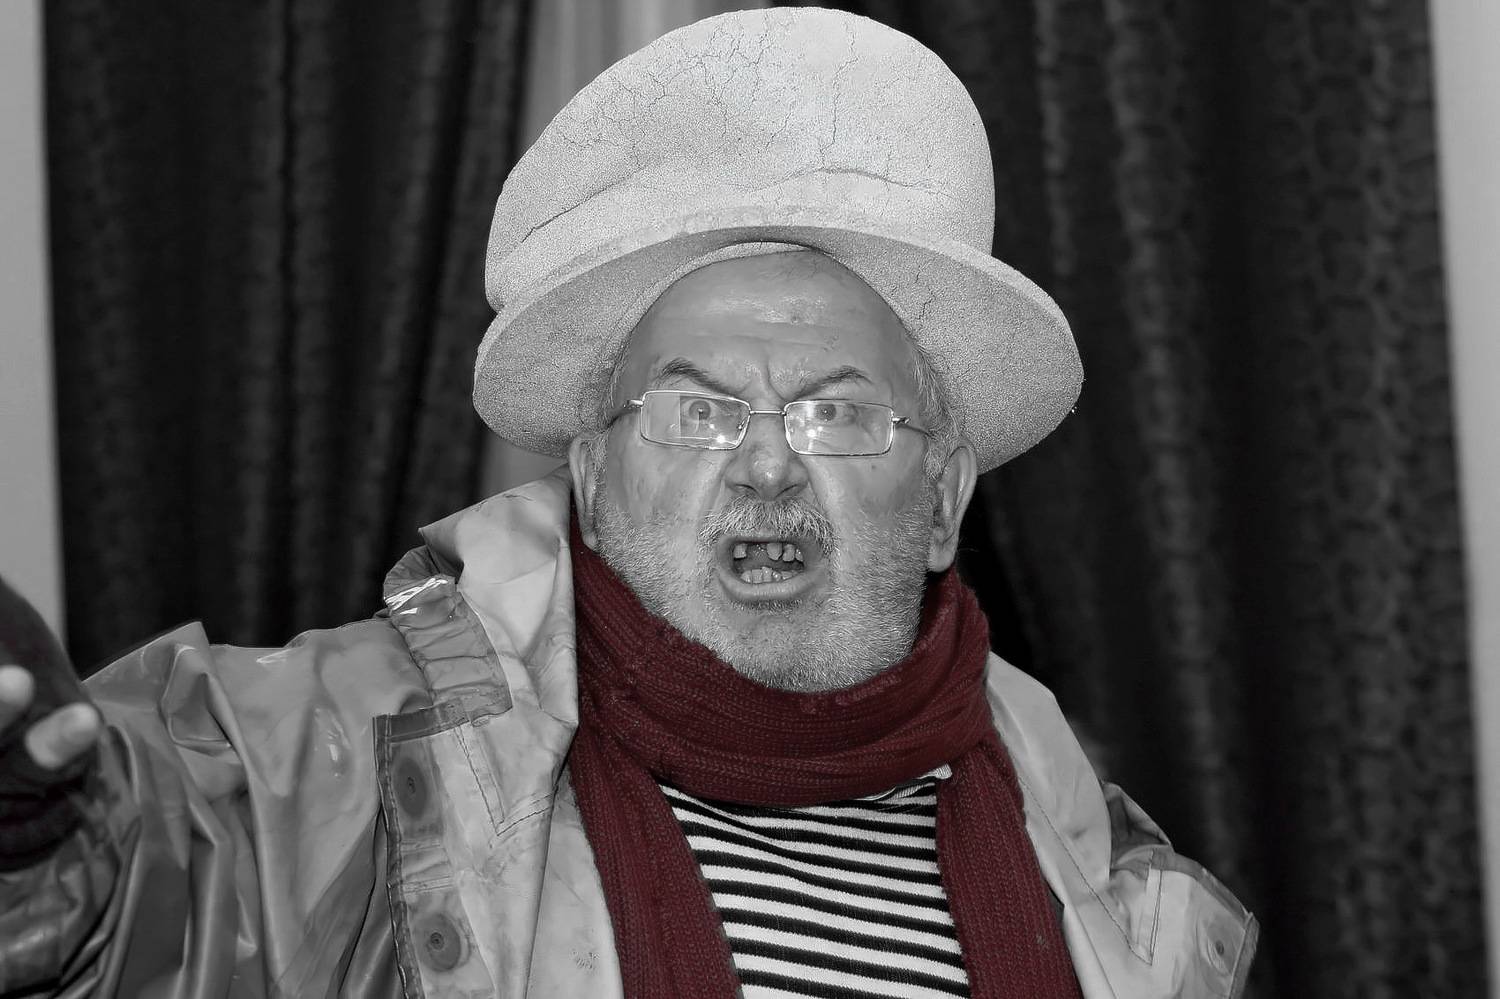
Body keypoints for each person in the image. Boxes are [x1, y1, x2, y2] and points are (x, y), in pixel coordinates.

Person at [0, 9, 1256, 998]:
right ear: (593, 482)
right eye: (698, 413)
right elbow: (139, 886)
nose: (768, 469)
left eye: (835, 415)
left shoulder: (1114, 879)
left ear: (941, 498)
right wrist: (52, 845)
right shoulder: (336, 764)